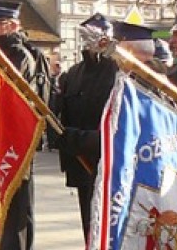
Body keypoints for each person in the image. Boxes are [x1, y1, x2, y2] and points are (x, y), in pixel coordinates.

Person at [54, 13, 118, 244]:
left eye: (96, 36)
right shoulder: (73, 73)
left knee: (109, 230)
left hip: (108, 164)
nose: (89, 42)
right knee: (89, 227)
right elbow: (59, 115)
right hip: (81, 164)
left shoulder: (117, 70)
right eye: (85, 36)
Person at [0, 0, 38, 250]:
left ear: (12, 26)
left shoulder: (19, 56)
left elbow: (8, 96)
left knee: (15, 209)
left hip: (15, 142)